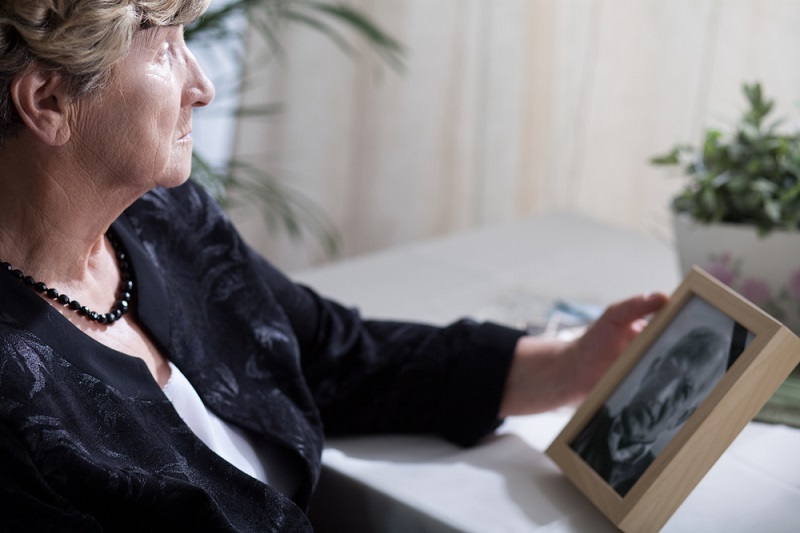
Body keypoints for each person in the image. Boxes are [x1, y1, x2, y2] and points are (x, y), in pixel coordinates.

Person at [0, 1, 667, 530]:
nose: (200, 86)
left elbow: (322, 353)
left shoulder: (161, 220)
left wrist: (568, 365)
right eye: (167, 49)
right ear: (49, 101)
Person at [571, 326, 728, 496]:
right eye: (666, 372)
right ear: (649, 373)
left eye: (683, 392)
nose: (660, 396)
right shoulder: (584, 423)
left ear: (683, 417)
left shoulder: (656, 486)